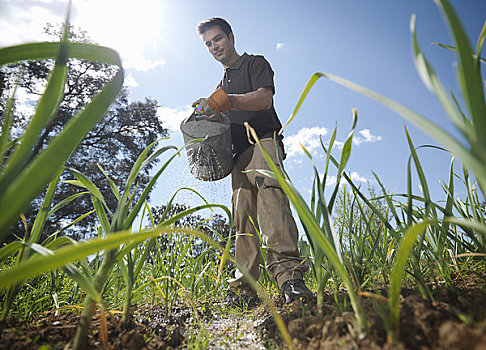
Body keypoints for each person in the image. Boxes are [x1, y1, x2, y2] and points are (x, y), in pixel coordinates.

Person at [192, 17, 312, 307]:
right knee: (242, 216)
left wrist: (227, 101)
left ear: (231, 37)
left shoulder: (254, 63)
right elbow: (219, 129)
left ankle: (289, 277)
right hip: (238, 154)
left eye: (217, 39)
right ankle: (244, 290)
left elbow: (263, 99)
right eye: (208, 44)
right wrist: (204, 125)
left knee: (270, 197)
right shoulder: (219, 86)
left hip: (263, 140)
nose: (214, 46)